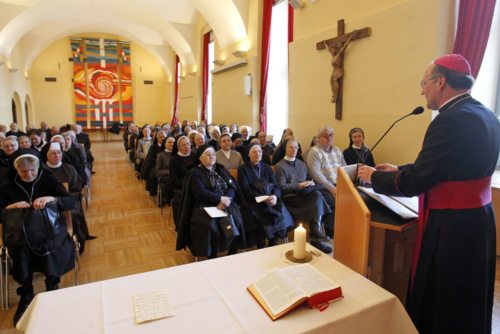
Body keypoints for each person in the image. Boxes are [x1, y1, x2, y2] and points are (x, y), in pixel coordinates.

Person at [358, 54, 500, 334]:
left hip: (452, 226)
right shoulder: (486, 114)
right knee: (470, 294)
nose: (422, 90)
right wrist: (399, 168)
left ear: (440, 81)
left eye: (424, 83)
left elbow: (419, 180)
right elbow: (445, 166)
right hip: (479, 220)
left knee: (446, 296)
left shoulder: (449, 120)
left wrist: (375, 177)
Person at [0, 154, 76, 325]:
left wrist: (52, 199)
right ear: (17, 170)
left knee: (48, 248)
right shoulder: (7, 186)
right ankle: (26, 294)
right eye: (23, 172)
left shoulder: (48, 180)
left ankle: (52, 286)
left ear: (38, 168)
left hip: (49, 231)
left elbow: (71, 202)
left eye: (32, 170)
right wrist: (9, 207)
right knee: (21, 251)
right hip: (20, 235)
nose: (28, 175)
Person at [176, 145, 245, 258]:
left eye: (213, 154)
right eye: (208, 155)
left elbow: (231, 186)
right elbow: (200, 193)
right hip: (204, 204)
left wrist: (227, 199)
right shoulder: (195, 173)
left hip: (225, 202)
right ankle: (212, 254)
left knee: (237, 218)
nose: (212, 157)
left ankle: (232, 250)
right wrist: (219, 199)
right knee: (209, 224)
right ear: (200, 158)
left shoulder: (220, 169)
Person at [274, 139, 332, 253]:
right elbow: (281, 188)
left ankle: (316, 232)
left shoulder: (302, 164)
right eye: (291, 147)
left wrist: (310, 183)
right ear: (285, 148)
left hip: (305, 196)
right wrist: (299, 185)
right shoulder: (279, 166)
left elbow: (310, 179)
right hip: (291, 199)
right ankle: (316, 235)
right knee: (317, 197)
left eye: (296, 147)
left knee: (317, 194)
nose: (294, 149)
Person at [238, 143, 293, 248]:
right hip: (253, 200)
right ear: (249, 155)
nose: (257, 154)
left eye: (259, 151)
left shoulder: (268, 168)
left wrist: (275, 196)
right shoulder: (243, 169)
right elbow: (245, 189)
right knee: (259, 214)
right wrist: (262, 198)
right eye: (254, 152)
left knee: (280, 210)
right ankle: (261, 244)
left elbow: (276, 186)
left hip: (270, 199)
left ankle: (273, 241)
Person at [306, 126, 345, 238]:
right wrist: (331, 188)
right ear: (318, 138)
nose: (329, 137)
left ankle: (347, 228)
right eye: (325, 135)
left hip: (340, 184)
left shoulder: (337, 150)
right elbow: (316, 174)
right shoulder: (314, 152)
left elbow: (345, 168)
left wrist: (348, 184)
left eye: (331, 135)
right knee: (335, 201)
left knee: (356, 200)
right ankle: (331, 231)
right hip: (323, 186)